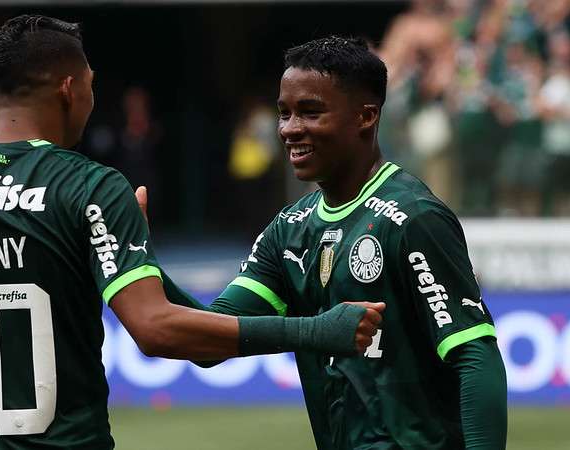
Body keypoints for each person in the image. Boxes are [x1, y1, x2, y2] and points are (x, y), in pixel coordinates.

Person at [0, 16, 384, 450]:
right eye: (93, 86)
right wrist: (314, 331)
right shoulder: (91, 187)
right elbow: (155, 330)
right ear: (70, 89)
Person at [152, 36, 507, 449]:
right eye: (284, 113)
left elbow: (474, 355)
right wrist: (137, 258)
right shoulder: (289, 229)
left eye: (310, 112)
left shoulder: (413, 217)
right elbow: (210, 341)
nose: (289, 129)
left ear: (366, 117)